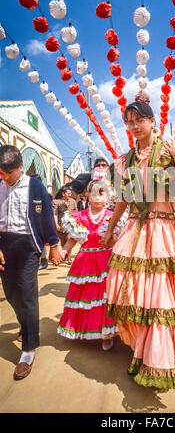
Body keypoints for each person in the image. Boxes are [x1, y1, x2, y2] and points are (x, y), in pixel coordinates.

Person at [102, 101, 175, 389]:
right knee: (138, 294)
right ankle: (145, 350)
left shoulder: (171, 151)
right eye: (128, 122)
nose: (133, 127)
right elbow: (124, 199)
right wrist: (109, 229)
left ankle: (169, 355)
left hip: (167, 230)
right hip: (137, 230)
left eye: (138, 120)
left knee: (165, 296)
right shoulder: (124, 160)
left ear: (153, 121)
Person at [0, 145, 62, 380]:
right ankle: (25, 326)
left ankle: (28, 349)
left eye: (8, 173)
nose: (4, 177)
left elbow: (46, 216)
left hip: (28, 247)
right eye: (0, 173)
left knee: (26, 294)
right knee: (11, 294)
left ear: (20, 167)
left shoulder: (35, 186)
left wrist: (54, 245)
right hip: (5, 245)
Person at [56, 179, 118, 350]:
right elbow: (73, 239)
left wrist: (112, 240)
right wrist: (63, 252)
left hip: (106, 262)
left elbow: (117, 241)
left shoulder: (113, 217)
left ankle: (107, 333)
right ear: (87, 195)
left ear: (108, 195)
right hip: (85, 262)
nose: (97, 198)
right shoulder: (80, 216)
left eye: (101, 193)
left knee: (105, 298)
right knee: (85, 299)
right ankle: (85, 328)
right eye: (93, 193)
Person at [52, 185, 77, 264]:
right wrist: (56, 224)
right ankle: (65, 255)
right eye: (68, 193)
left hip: (71, 224)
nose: (70, 195)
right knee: (63, 241)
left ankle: (69, 257)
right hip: (61, 224)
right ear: (63, 194)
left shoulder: (73, 201)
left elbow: (76, 212)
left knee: (69, 239)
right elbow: (55, 214)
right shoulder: (56, 202)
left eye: (70, 193)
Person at [30, 173, 49, 270]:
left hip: (41, 222)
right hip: (31, 222)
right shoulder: (29, 192)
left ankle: (44, 260)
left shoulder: (43, 192)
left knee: (40, 241)